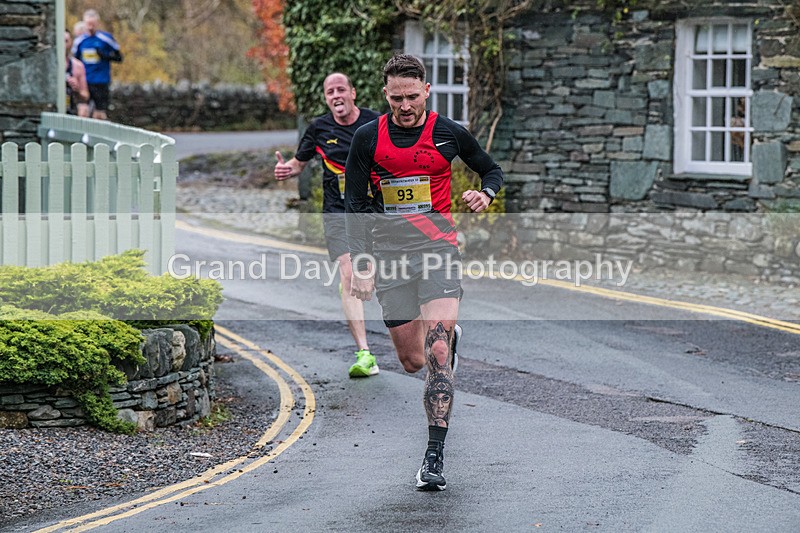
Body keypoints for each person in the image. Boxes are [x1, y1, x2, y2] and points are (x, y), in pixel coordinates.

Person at [345, 54, 504, 491]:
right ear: (385, 95)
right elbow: (354, 206)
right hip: (391, 257)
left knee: (436, 355)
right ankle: (447, 339)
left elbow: (491, 169)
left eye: (413, 96)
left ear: (427, 91)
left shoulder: (448, 134)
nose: (405, 105)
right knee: (413, 360)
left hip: (438, 250)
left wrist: (485, 193)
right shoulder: (366, 139)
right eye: (396, 98)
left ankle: (433, 457)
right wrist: (360, 263)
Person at [274, 72, 382, 378]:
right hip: (338, 214)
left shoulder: (375, 123)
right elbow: (299, 163)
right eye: (330, 92)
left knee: (379, 278)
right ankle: (365, 354)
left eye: (340, 90)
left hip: (374, 211)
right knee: (348, 275)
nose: (336, 95)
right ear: (326, 99)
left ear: (353, 92)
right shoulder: (319, 129)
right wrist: (287, 170)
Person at [71, 9, 122, 120]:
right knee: (83, 111)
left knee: (99, 115)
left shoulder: (106, 38)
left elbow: (119, 58)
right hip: (85, 82)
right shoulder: (79, 41)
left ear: (97, 23)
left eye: (93, 24)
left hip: (101, 81)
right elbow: (74, 61)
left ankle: (98, 136)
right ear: (84, 24)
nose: (91, 27)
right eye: (88, 24)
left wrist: (105, 56)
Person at [64, 30, 90, 117]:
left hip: (71, 112)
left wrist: (77, 89)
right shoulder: (50, 65)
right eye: (61, 40)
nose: (64, 45)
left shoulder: (77, 66)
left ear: (71, 43)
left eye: (66, 41)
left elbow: (85, 95)